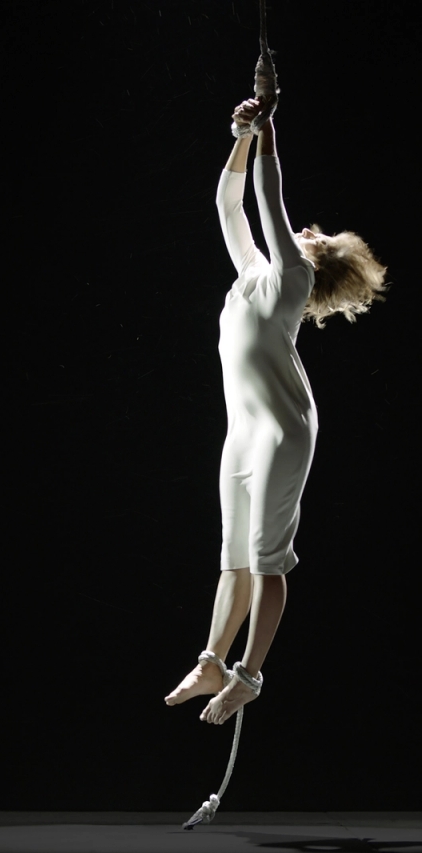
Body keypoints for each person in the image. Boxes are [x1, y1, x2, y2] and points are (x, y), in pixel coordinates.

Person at [164, 97, 388, 726]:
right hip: (243, 431)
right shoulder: (254, 273)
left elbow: (267, 198)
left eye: (318, 235)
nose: (308, 230)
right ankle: (213, 660)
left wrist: (267, 128)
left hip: (285, 430)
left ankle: (248, 675)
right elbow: (228, 206)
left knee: (266, 558)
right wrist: (240, 134)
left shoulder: (293, 276)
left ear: (319, 259)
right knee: (233, 553)